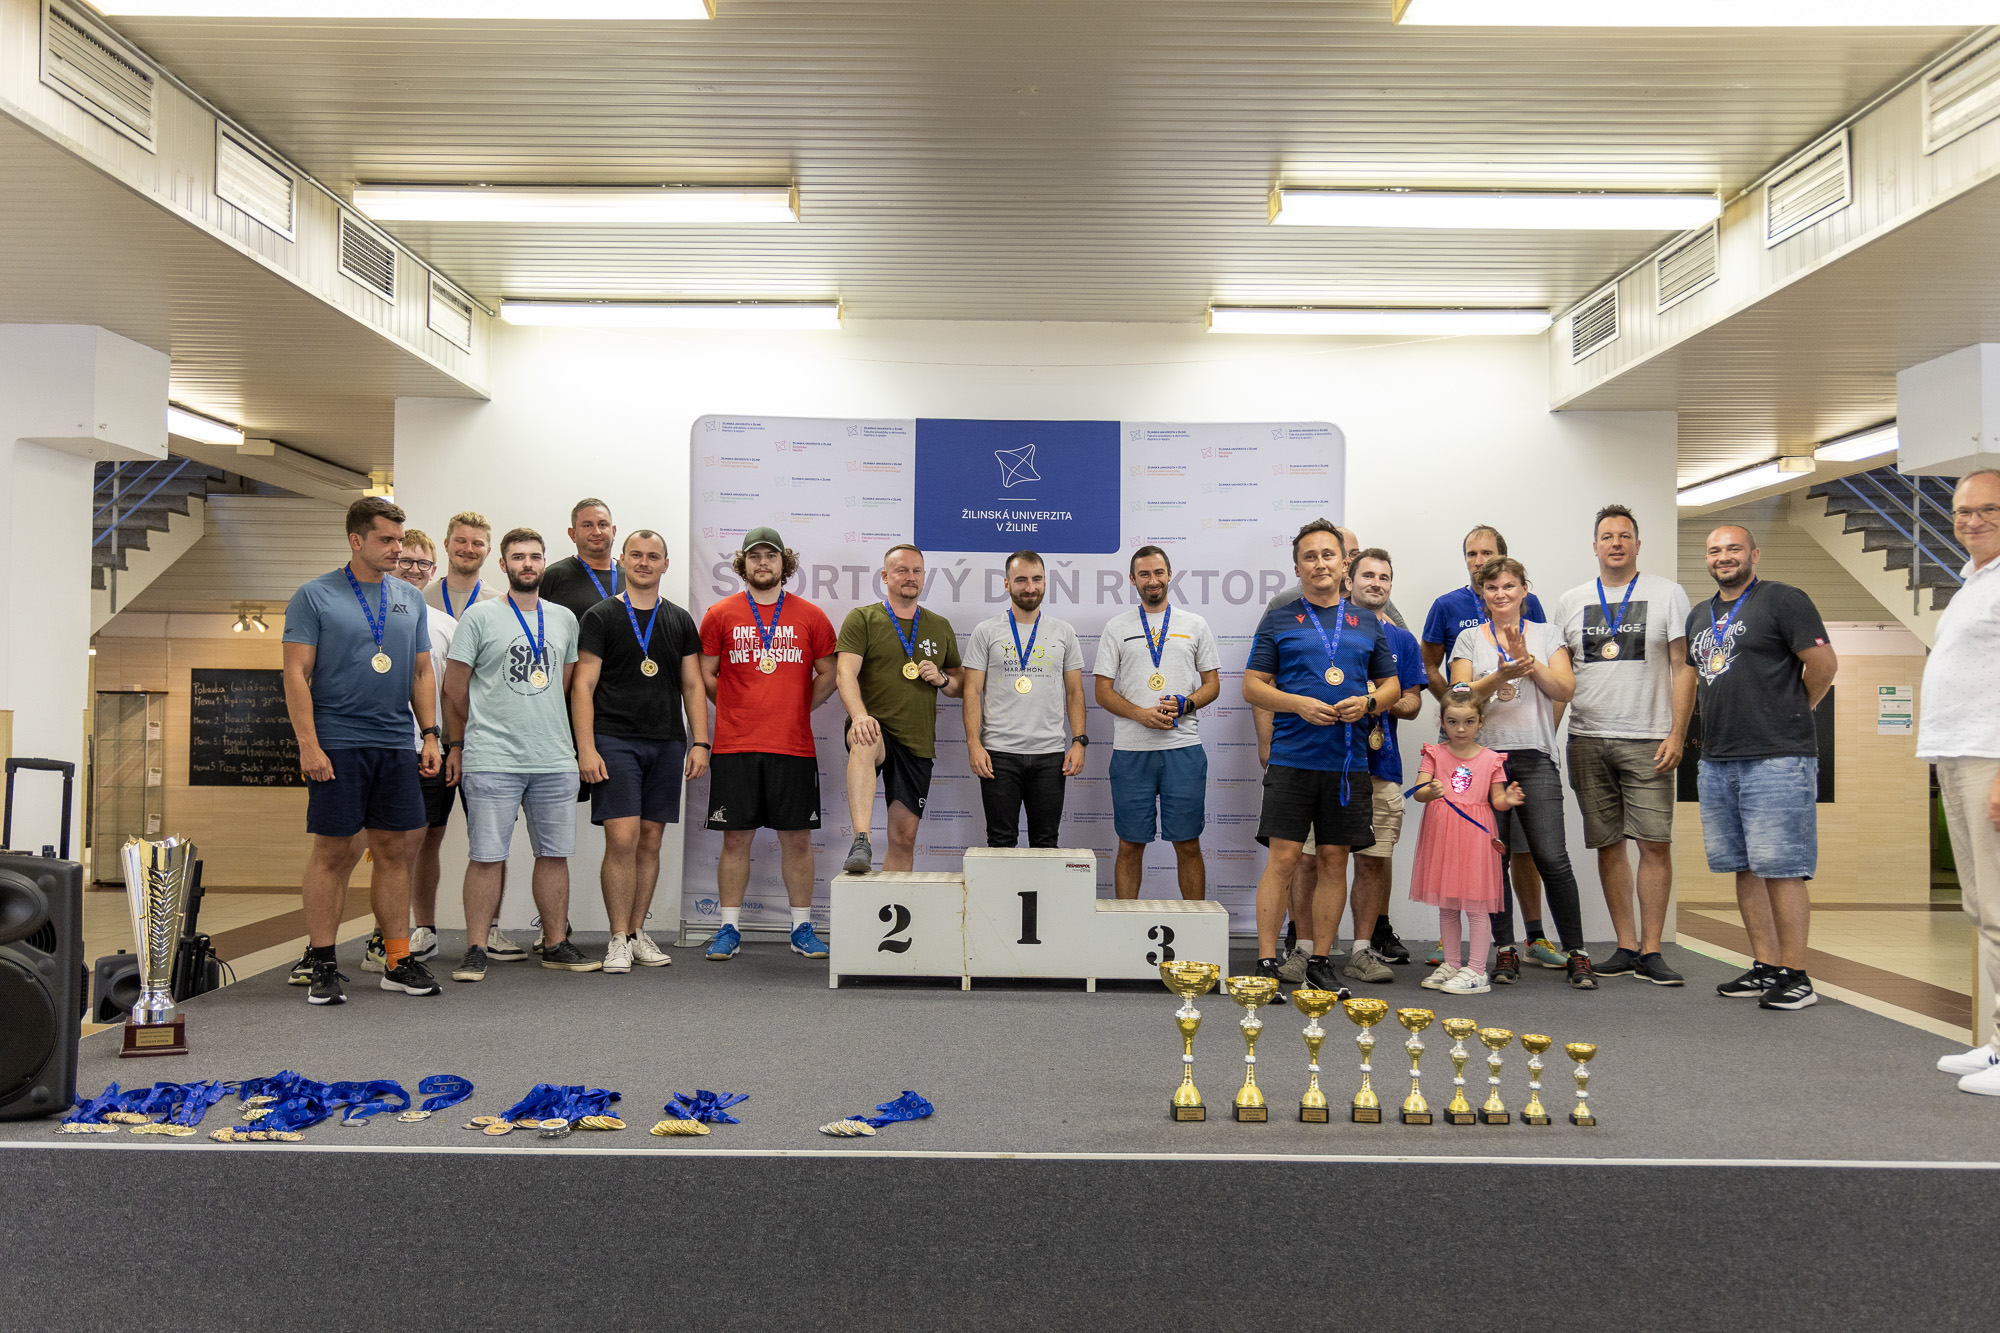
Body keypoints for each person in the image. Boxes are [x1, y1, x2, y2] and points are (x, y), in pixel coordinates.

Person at [280, 497, 442, 1005]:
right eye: (386, 540)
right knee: (332, 852)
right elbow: (295, 674)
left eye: (400, 539)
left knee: (395, 851)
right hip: (337, 742)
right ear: (356, 540)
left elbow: (421, 671)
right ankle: (323, 962)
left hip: (394, 742)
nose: (397, 549)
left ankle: (397, 960)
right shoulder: (314, 595)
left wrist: (430, 734)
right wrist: (309, 744)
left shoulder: (409, 598)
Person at [1244, 520, 1402, 993]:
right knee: (1285, 859)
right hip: (1292, 759)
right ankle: (1267, 961)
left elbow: (1394, 687)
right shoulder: (1279, 618)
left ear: (1344, 563)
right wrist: (1296, 704)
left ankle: (1319, 960)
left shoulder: (1368, 622)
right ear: (1297, 567)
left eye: (1327, 555)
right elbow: (1252, 686)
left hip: (1348, 765)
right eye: (1309, 557)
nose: (1319, 564)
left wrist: (1369, 703)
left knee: (1335, 860)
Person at [1690, 525, 1837, 1012]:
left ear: (1754, 553)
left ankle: (1797, 975)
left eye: (1733, 548)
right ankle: (1766, 966)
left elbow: (1823, 666)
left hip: (1777, 758)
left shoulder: (1783, 600)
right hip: (1718, 760)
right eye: (1715, 550)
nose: (1724, 556)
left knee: (1783, 868)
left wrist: (1794, 709)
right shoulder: (1700, 615)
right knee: (1745, 867)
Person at [443, 527, 596, 979]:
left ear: (544, 563)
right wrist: (482, 727)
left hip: (553, 758)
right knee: (486, 856)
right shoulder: (480, 617)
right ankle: (476, 947)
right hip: (493, 758)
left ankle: (555, 942)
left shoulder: (564, 619)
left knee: (554, 855)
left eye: (534, 556)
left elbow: (564, 685)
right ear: (503, 564)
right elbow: (454, 688)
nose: (526, 564)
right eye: (517, 557)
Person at [1555, 504, 1695, 987]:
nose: (1615, 543)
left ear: (1637, 544)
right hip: (1587, 738)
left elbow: (1683, 666)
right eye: (1607, 536)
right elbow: (1562, 679)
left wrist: (1677, 733)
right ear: (1594, 546)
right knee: (1608, 844)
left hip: (1649, 738)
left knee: (1654, 843)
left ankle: (1653, 950)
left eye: (1624, 536)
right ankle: (1626, 945)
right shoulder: (1571, 601)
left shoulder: (1668, 593)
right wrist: (1548, 739)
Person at [1449, 555, 1595, 989]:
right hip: (1485, 762)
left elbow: (1565, 688)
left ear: (1523, 590)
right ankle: (1505, 950)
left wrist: (1526, 661)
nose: (1501, 594)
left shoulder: (1548, 634)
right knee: (1494, 860)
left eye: (1509, 586)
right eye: (1492, 587)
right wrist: (1499, 675)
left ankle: (1578, 953)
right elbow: (1459, 696)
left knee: (1552, 857)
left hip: (1534, 758)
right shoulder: (1470, 639)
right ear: (1482, 594)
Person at [699, 527, 840, 960]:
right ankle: (728, 927)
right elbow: (705, 674)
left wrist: (796, 707)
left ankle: (801, 928)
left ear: (784, 562)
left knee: (797, 840)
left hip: (792, 747)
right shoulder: (719, 614)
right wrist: (736, 706)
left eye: (771, 556)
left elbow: (830, 673)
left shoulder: (811, 615)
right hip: (735, 746)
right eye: (755, 556)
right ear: (743, 563)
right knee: (735, 840)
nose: (763, 563)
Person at [572, 530, 708, 973]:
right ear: (622, 561)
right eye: (636, 555)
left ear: (666, 564)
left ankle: (636, 932)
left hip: (667, 741)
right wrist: (586, 748)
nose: (644, 562)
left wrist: (700, 741)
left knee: (650, 840)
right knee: (623, 839)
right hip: (614, 740)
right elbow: (583, 685)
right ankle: (616, 938)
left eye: (653, 556)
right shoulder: (601, 615)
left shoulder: (680, 620)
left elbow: (693, 685)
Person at [1423, 524, 1555, 971]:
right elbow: (1430, 664)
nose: (1479, 561)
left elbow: (1547, 672)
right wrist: (1457, 711)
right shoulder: (1447, 606)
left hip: (1525, 745)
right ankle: (1465, 942)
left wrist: (1547, 728)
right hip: (1471, 746)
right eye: (1472, 554)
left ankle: (1534, 934)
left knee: (1525, 848)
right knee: (1474, 844)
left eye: (1487, 553)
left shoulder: (1529, 605)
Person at [1920, 470, 2000, 1092]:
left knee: (1999, 908)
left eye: (1988, 510)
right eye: (1963, 511)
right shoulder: (1975, 581)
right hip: (1957, 753)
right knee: (1981, 907)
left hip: (1988, 757)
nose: (1972, 521)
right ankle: (1998, 1043)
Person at [422, 509, 525, 962]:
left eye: (477, 543)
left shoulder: (503, 603)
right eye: (461, 541)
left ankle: (492, 929)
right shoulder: (419, 598)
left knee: (492, 842)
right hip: (430, 739)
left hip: (483, 741)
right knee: (425, 837)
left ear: (489, 552)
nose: (468, 549)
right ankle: (423, 928)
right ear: (447, 544)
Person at [1094, 545, 1222, 899]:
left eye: (1159, 572)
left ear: (1169, 575)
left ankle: (1193, 924)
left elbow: (1212, 685)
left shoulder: (1194, 624)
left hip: (1183, 749)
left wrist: (1187, 703)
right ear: (1132, 579)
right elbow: (1102, 691)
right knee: (1130, 845)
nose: (1153, 580)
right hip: (1131, 751)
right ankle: (1125, 926)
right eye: (1144, 574)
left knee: (1188, 844)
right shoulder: (1116, 627)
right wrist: (1141, 714)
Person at [837, 544, 963, 874]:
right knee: (865, 737)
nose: (910, 577)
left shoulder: (939, 625)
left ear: (924, 576)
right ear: (885, 576)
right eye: (902, 570)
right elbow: (844, 673)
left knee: (904, 838)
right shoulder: (863, 618)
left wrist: (942, 678)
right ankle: (861, 839)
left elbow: (961, 685)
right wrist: (859, 715)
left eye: (916, 571)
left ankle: (892, 902)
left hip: (916, 741)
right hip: (875, 725)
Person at [1342, 549, 1429, 984]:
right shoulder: (1328, 631)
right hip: (1329, 764)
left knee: (1373, 861)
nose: (1376, 583)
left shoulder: (1403, 641)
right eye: (1368, 575)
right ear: (1349, 580)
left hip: (1381, 764)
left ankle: (1363, 948)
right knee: (1315, 859)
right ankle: (1305, 945)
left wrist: (1376, 700)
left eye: (1384, 577)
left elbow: (1413, 703)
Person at [964, 550, 1088, 847]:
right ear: (1007, 584)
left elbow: (1075, 692)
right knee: (1000, 842)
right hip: (998, 754)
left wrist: (1079, 741)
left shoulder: (1064, 632)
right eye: (1021, 580)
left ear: (1045, 582)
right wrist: (973, 744)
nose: (1030, 587)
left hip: (1050, 755)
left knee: (1046, 843)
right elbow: (971, 691)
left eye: (1036, 579)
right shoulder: (986, 631)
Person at [1410, 693, 1523, 996]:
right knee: (1448, 904)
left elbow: (1497, 800)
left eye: (1469, 722)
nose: (1460, 729)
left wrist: (1508, 800)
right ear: (1442, 722)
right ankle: (1451, 963)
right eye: (1453, 722)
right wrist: (1429, 791)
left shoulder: (1491, 759)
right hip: (1442, 835)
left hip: (1475, 837)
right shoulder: (1434, 753)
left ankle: (1476, 970)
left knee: (1476, 905)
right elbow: (1419, 792)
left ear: (1480, 721)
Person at [538, 497, 624, 619]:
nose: (597, 532)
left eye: (602, 524)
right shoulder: (552, 576)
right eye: (587, 525)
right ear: (572, 534)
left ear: (613, 531)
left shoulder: (631, 574)